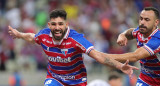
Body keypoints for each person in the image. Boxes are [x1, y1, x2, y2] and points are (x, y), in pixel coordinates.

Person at [8, 9, 138, 86]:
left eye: (60, 24)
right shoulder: (43, 35)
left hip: (77, 81)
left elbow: (98, 56)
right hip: (54, 79)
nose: (57, 27)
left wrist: (120, 66)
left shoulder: (77, 39)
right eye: (53, 24)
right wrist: (19, 34)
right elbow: (32, 37)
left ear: (66, 24)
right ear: (49, 24)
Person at [106, 7, 159, 86]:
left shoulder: (157, 39)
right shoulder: (141, 31)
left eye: (147, 20)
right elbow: (131, 31)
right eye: (141, 19)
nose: (142, 22)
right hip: (145, 79)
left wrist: (105, 57)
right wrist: (122, 35)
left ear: (156, 22)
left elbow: (135, 56)